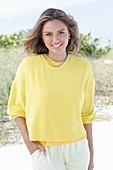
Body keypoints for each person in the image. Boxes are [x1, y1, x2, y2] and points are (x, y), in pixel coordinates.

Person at [7, 8, 96, 170]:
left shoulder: (83, 68)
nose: (55, 39)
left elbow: (86, 115)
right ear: (41, 37)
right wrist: (30, 146)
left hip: (78, 149)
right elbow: (16, 110)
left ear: (70, 34)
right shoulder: (29, 67)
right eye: (48, 34)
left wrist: (91, 156)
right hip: (45, 151)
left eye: (61, 32)